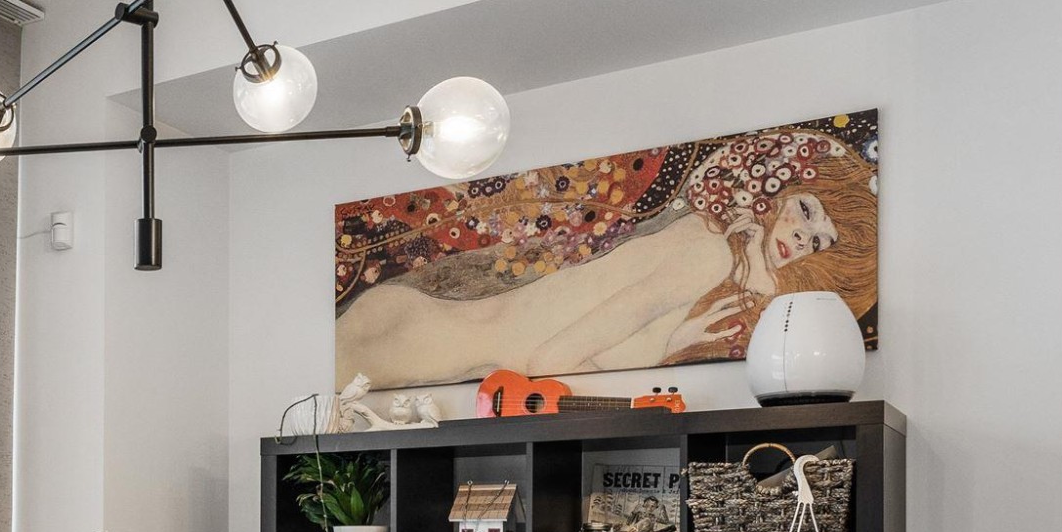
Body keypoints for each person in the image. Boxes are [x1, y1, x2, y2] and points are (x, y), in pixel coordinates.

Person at [333, 132, 877, 390]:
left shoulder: (702, 241)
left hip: (416, 328)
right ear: (774, 184)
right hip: (417, 345)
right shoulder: (706, 255)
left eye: (820, 242)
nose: (804, 239)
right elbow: (549, 359)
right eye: (807, 212)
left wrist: (675, 344)